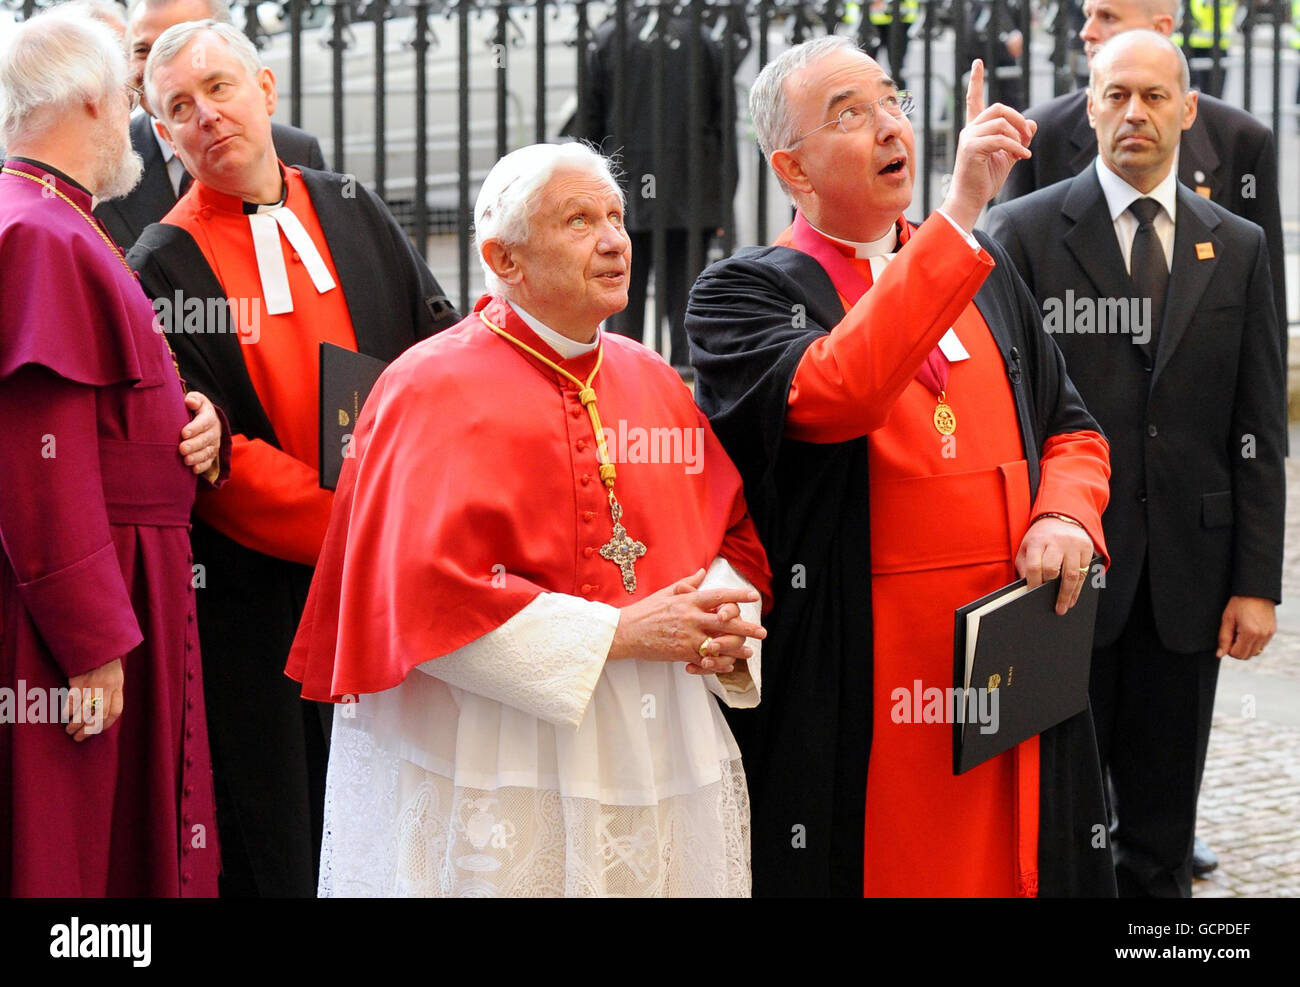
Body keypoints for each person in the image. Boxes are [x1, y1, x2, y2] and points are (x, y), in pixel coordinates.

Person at [685, 36, 1116, 898]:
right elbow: (833, 394)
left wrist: (1065, 514)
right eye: (849, 115)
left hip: (1014, 656)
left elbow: (1073, 432)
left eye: (892, 102)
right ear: (794, 170)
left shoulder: (986, 277)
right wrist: (959, 218)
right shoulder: (744, 293)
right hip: (873, 675)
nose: (889, 127)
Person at [286, 142, 772, 897]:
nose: (615, 240)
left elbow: (731, 530)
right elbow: (409, 601)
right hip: (497, 743)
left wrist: (718, 618)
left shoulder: (653, 379)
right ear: (502, 258)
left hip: (654, 734)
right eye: (580, 220)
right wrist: (616, 633)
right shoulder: (427, 388)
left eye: (616, 217)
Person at [127, 19, 457, 897]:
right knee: (292, 829)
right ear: (162, 136)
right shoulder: (161, 258)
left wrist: (423, 508)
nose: (207, 118)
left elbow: (439, 347)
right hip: (270, 599)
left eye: (220, 90)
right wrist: (357, 533)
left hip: (399, 569)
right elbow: (212, 456)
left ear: (266, 89)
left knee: (412, 814)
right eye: (179, 111)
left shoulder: (348, 202)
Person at [985, 30, 1285, 898]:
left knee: (1161, 841)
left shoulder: (1239, 245)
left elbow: (1260, 422)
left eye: (1155, 96)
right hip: (1059, 583)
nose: (1135, 113)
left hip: (1188, 588)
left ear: (1188, 111)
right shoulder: (1024, 232)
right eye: (1116, 95)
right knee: (1054, 831)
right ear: (1090, 108)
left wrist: (1256, 581)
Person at [0, 8, 226, 896]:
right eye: (130, 100)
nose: (135, 124)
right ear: (93, 100)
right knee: (80, 848)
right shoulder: (41, 230)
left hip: (131, 575)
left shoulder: (59, 220)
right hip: (94, 596)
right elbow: (35, 455)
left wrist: (182, 412)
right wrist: (91, 638)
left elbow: (97, 405)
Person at [998, 0, 1285, 372]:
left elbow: (1265, 320)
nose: (1087, 31)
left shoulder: (1241, 141)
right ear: (1092, 107)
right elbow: (1008, 320)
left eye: (1107, 16)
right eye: (1087, 16)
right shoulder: (1041, 134)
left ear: (1161, 27)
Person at [575, 6, 746, 375]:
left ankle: (621, 379)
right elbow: (724, 126)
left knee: (620, 297)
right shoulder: (702, 39)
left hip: (622, 192)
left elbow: (587, 128)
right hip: (691, 191)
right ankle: (683, 386)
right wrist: (722, 198)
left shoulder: (608, 38)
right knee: (685, 302)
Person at [94, 0, 325, 251]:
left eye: (182, 43)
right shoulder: (103, 168)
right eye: (142, 50)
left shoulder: (298, 153)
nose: (158, 66)